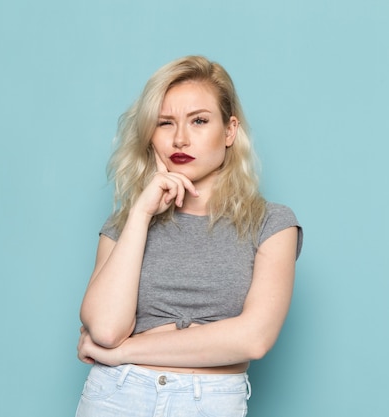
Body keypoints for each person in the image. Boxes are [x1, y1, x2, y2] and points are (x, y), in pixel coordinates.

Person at [75, 55, 303, 417]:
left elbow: (253, 339)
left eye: (199, 121)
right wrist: (141, 213)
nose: (180, 138)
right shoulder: (127, 222)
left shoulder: (271, 223)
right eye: (165, 123)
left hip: (208, 401)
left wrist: (123, 352)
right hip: (116, 396)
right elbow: (103, 329)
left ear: (229, 131)